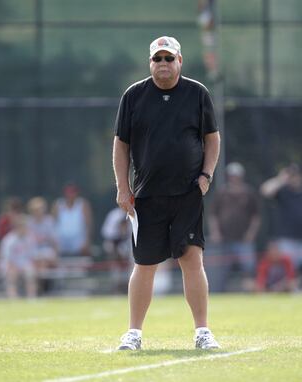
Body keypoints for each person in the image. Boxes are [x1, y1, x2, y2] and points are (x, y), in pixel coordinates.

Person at [112, 36, 221, 350]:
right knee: (145, 264)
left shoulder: (197, 93)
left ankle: (202, 332)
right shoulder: (134, 95)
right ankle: (133, 333)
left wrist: (206, 175)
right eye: (157, 59)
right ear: (150, 63)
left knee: (192, 261)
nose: (163, 64)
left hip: (188, 193)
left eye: (169, 58)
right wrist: (123, 187)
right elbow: (121, 144)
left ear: (180, 61)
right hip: (147, 195)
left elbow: (212, 138)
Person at [260, 164, 302, 287]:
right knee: (290, 269)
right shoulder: (283, 191)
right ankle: (292, 290)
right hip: (287, 239)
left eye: (296, 175)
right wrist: (281, 179)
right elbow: (265, 191)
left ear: (301, 176)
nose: (294, 178)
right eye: (291, 176)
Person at [207, 162, 261, 292]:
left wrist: (251, 234)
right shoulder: (222, 192)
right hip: (224, 239)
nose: (234, 178)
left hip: (243, 239)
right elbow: (213, 215)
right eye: (232, 175)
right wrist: (215, 233)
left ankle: (250, 293)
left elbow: (256, 217)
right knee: (221, 269)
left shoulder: (249, 193)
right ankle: (220, 293)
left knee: (248, 268)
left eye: (236, 175)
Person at [0, 214, 37, 299]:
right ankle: (13, 298)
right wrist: (14, 267)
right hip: (11, 265)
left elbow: (32, 256)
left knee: (30, 272)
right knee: (12, 274)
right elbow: (7, 259)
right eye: (22, 226)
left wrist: (27, 266)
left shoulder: (30, 238)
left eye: (25, 226)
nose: (24, 228)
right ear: (17, 227)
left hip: (24, 265)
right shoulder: (9, 240)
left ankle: (31, 297)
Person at [52, 183, 93, 257]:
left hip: (78, 240)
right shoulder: (58, 204)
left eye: (73, 193)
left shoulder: (83, 204)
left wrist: (87, 241)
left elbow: (88, 224)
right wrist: (54, 242)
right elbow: (53, 224)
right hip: (61, 240)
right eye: (68, 193)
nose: (70, 195)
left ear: (77, 193)